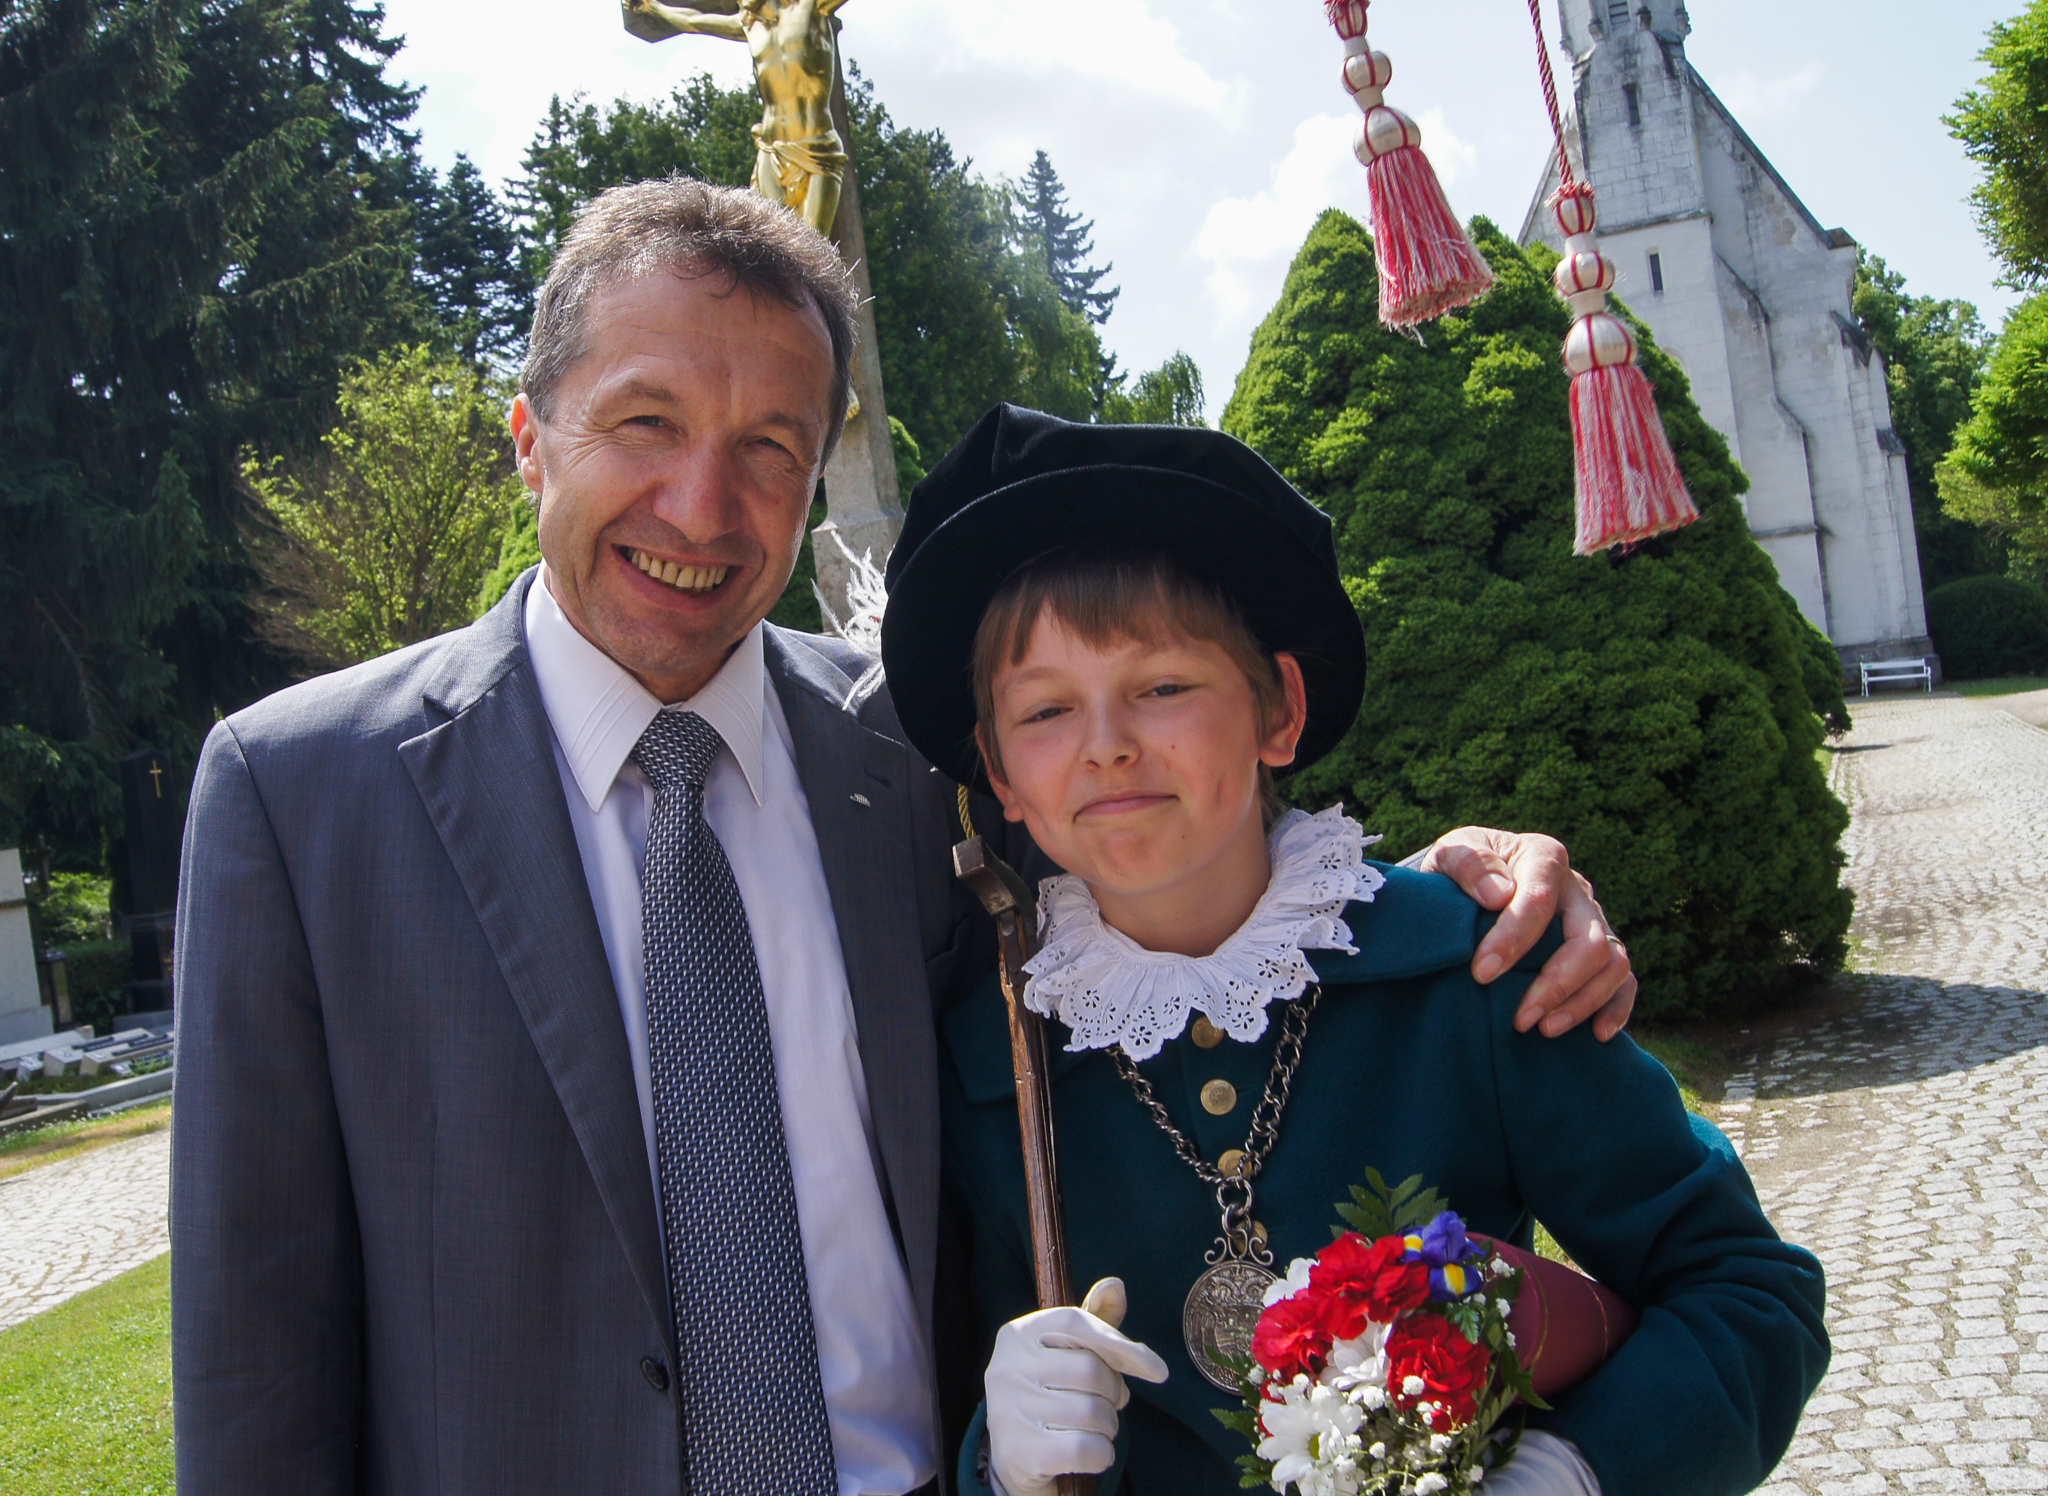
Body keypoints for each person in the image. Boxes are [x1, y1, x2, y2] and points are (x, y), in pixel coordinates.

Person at [172, 179, 1634, 1495]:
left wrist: (1457, 885)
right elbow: (254, 1357)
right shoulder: (299, 798)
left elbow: (1179, 868)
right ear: (528, 439)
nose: (702, 504)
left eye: (769, 447)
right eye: (644, 422)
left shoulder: (917, 750)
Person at [879, 405, 1830, 1496]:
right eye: (1045, 709)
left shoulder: (1468, 971)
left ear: (1278, 712)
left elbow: (1746, 1290)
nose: (1106, 744)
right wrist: (1000, 1463)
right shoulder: (991, 1069)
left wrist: (1576, 1469)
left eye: (1163, 686)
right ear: (1000, 773)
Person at [624, 0, 852, 235]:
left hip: (814, 147)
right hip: (770, 150)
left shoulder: (809, 7)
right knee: (774, 243)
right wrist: (652, 8)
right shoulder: (749, 27)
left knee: (813, 244)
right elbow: (693, 21)